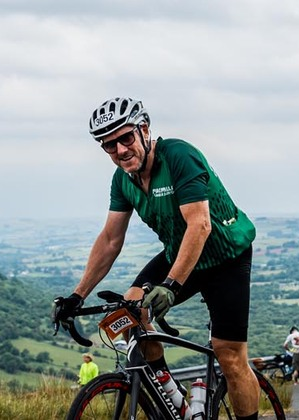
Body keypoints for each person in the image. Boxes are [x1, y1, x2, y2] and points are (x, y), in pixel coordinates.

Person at [54, 97, 259, 420]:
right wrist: (77, 296)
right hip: (180, 253)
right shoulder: (124, 179)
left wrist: (170, 285)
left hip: (224, 257)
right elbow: (110, 240)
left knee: (230, 356)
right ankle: (175, 399)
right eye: (109, 146)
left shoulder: (179, 156)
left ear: (144, 130)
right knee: (127, 311)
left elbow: (200, 225)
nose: (120, 150)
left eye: (126, 138)